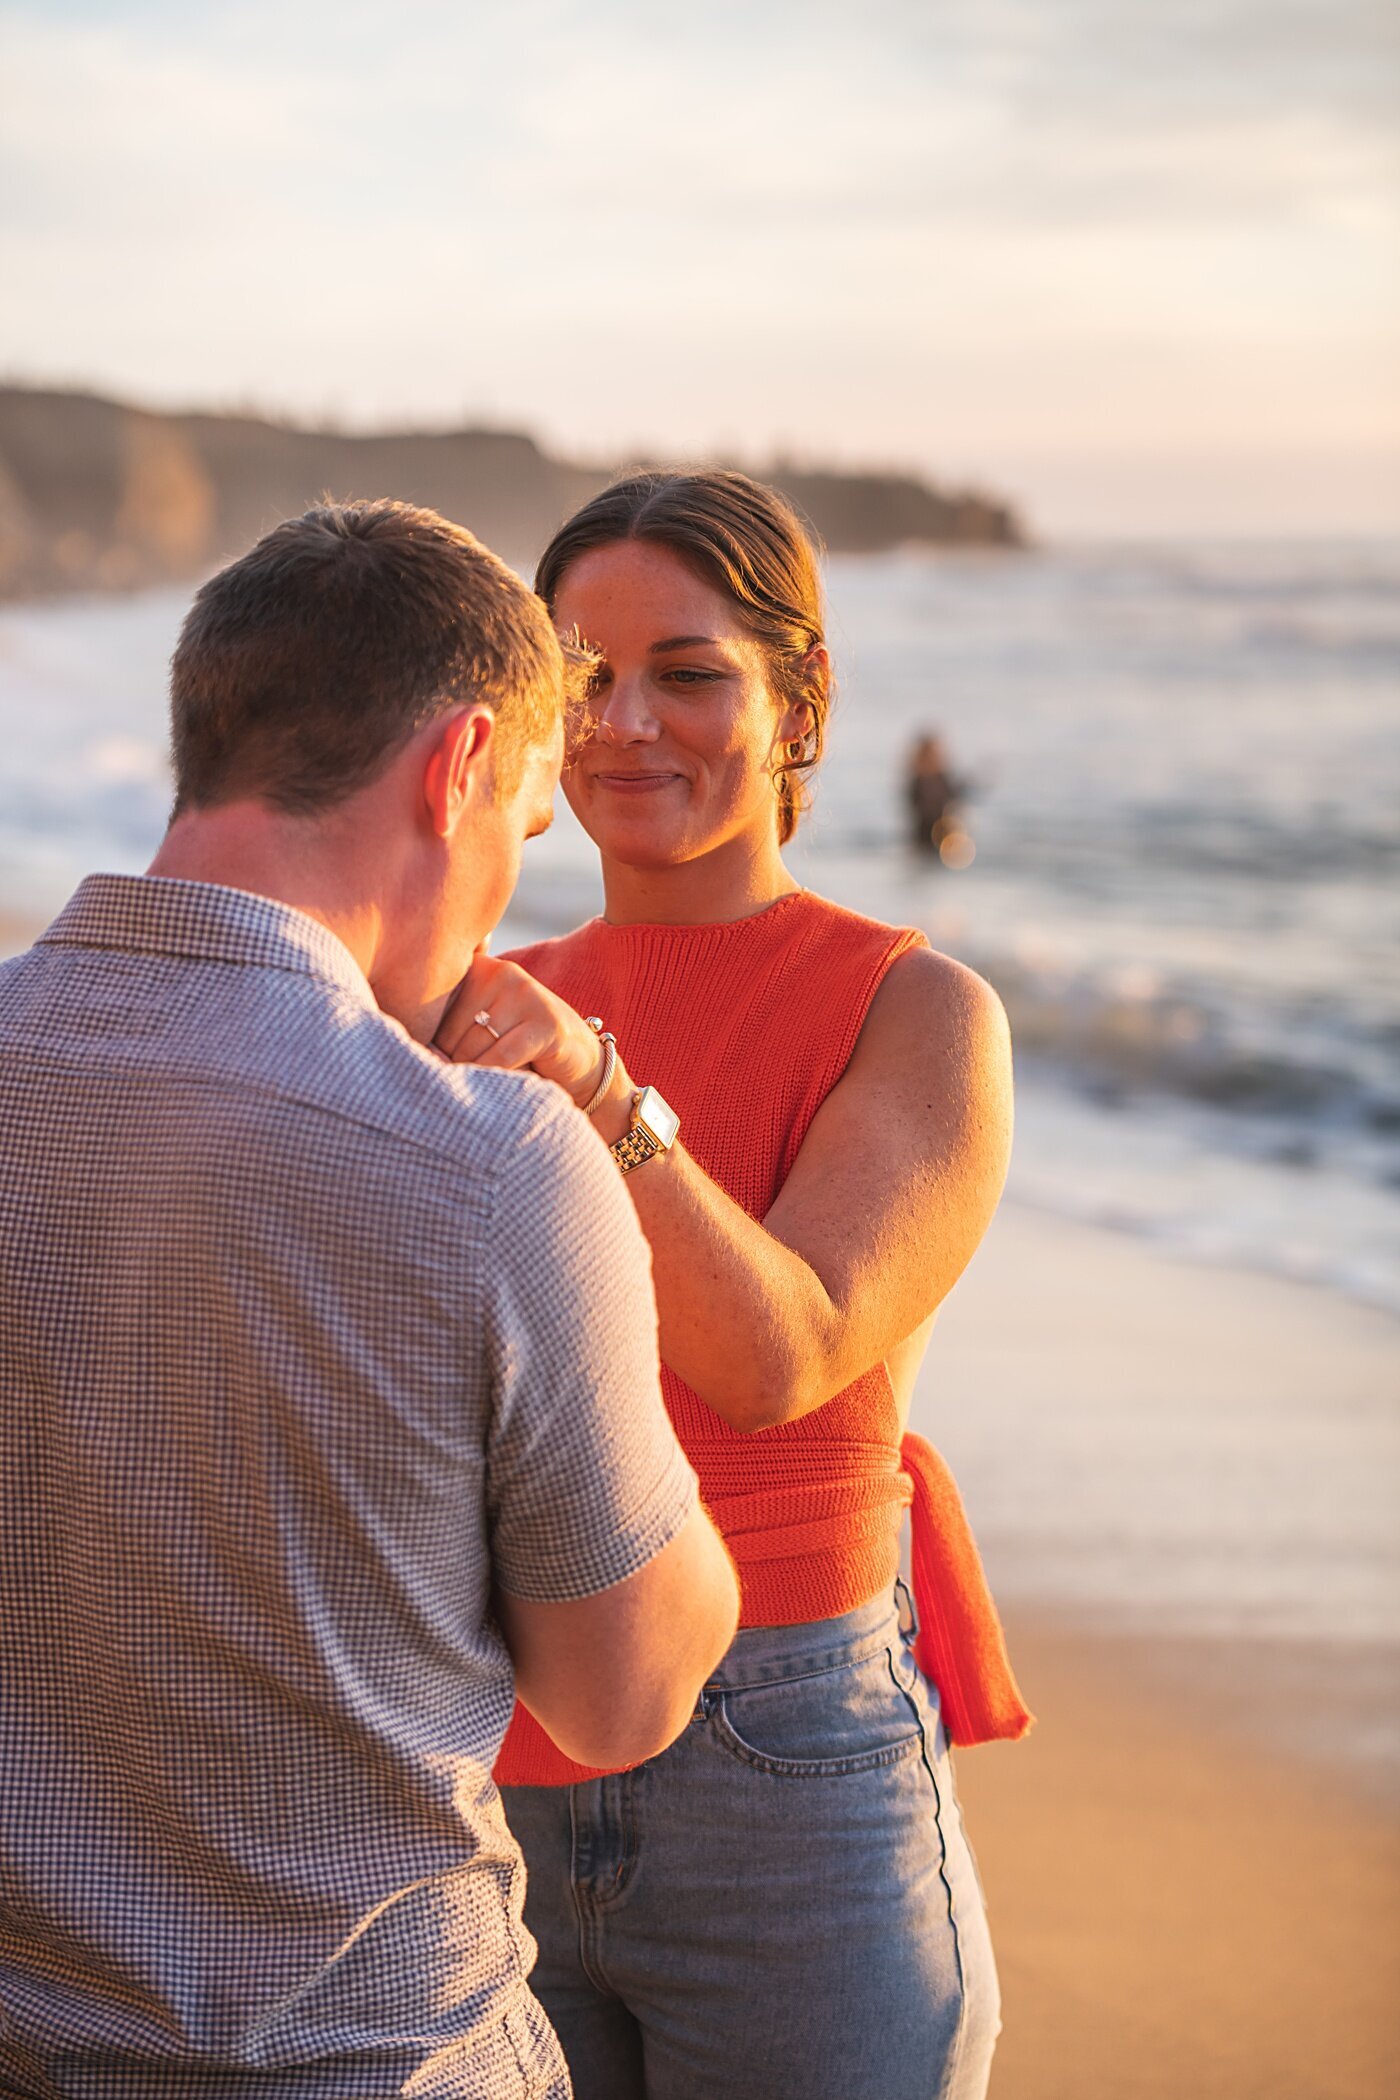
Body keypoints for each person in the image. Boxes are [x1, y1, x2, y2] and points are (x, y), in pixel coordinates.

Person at [0, 499, 739, 2100]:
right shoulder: (491, 1165)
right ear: (462, 766)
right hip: (367, 2060)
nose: (501, 899)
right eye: (528, 823)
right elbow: (624, 1696)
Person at [435, 471, 1030, 2100]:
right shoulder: (479, 1000)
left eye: (688, 673)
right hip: (496, 1753)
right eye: (581, 676)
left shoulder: (915, 1011)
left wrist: (606, 1098)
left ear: (798, 701)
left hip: (791, 1767)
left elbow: (783, 1354)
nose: (627, 722)